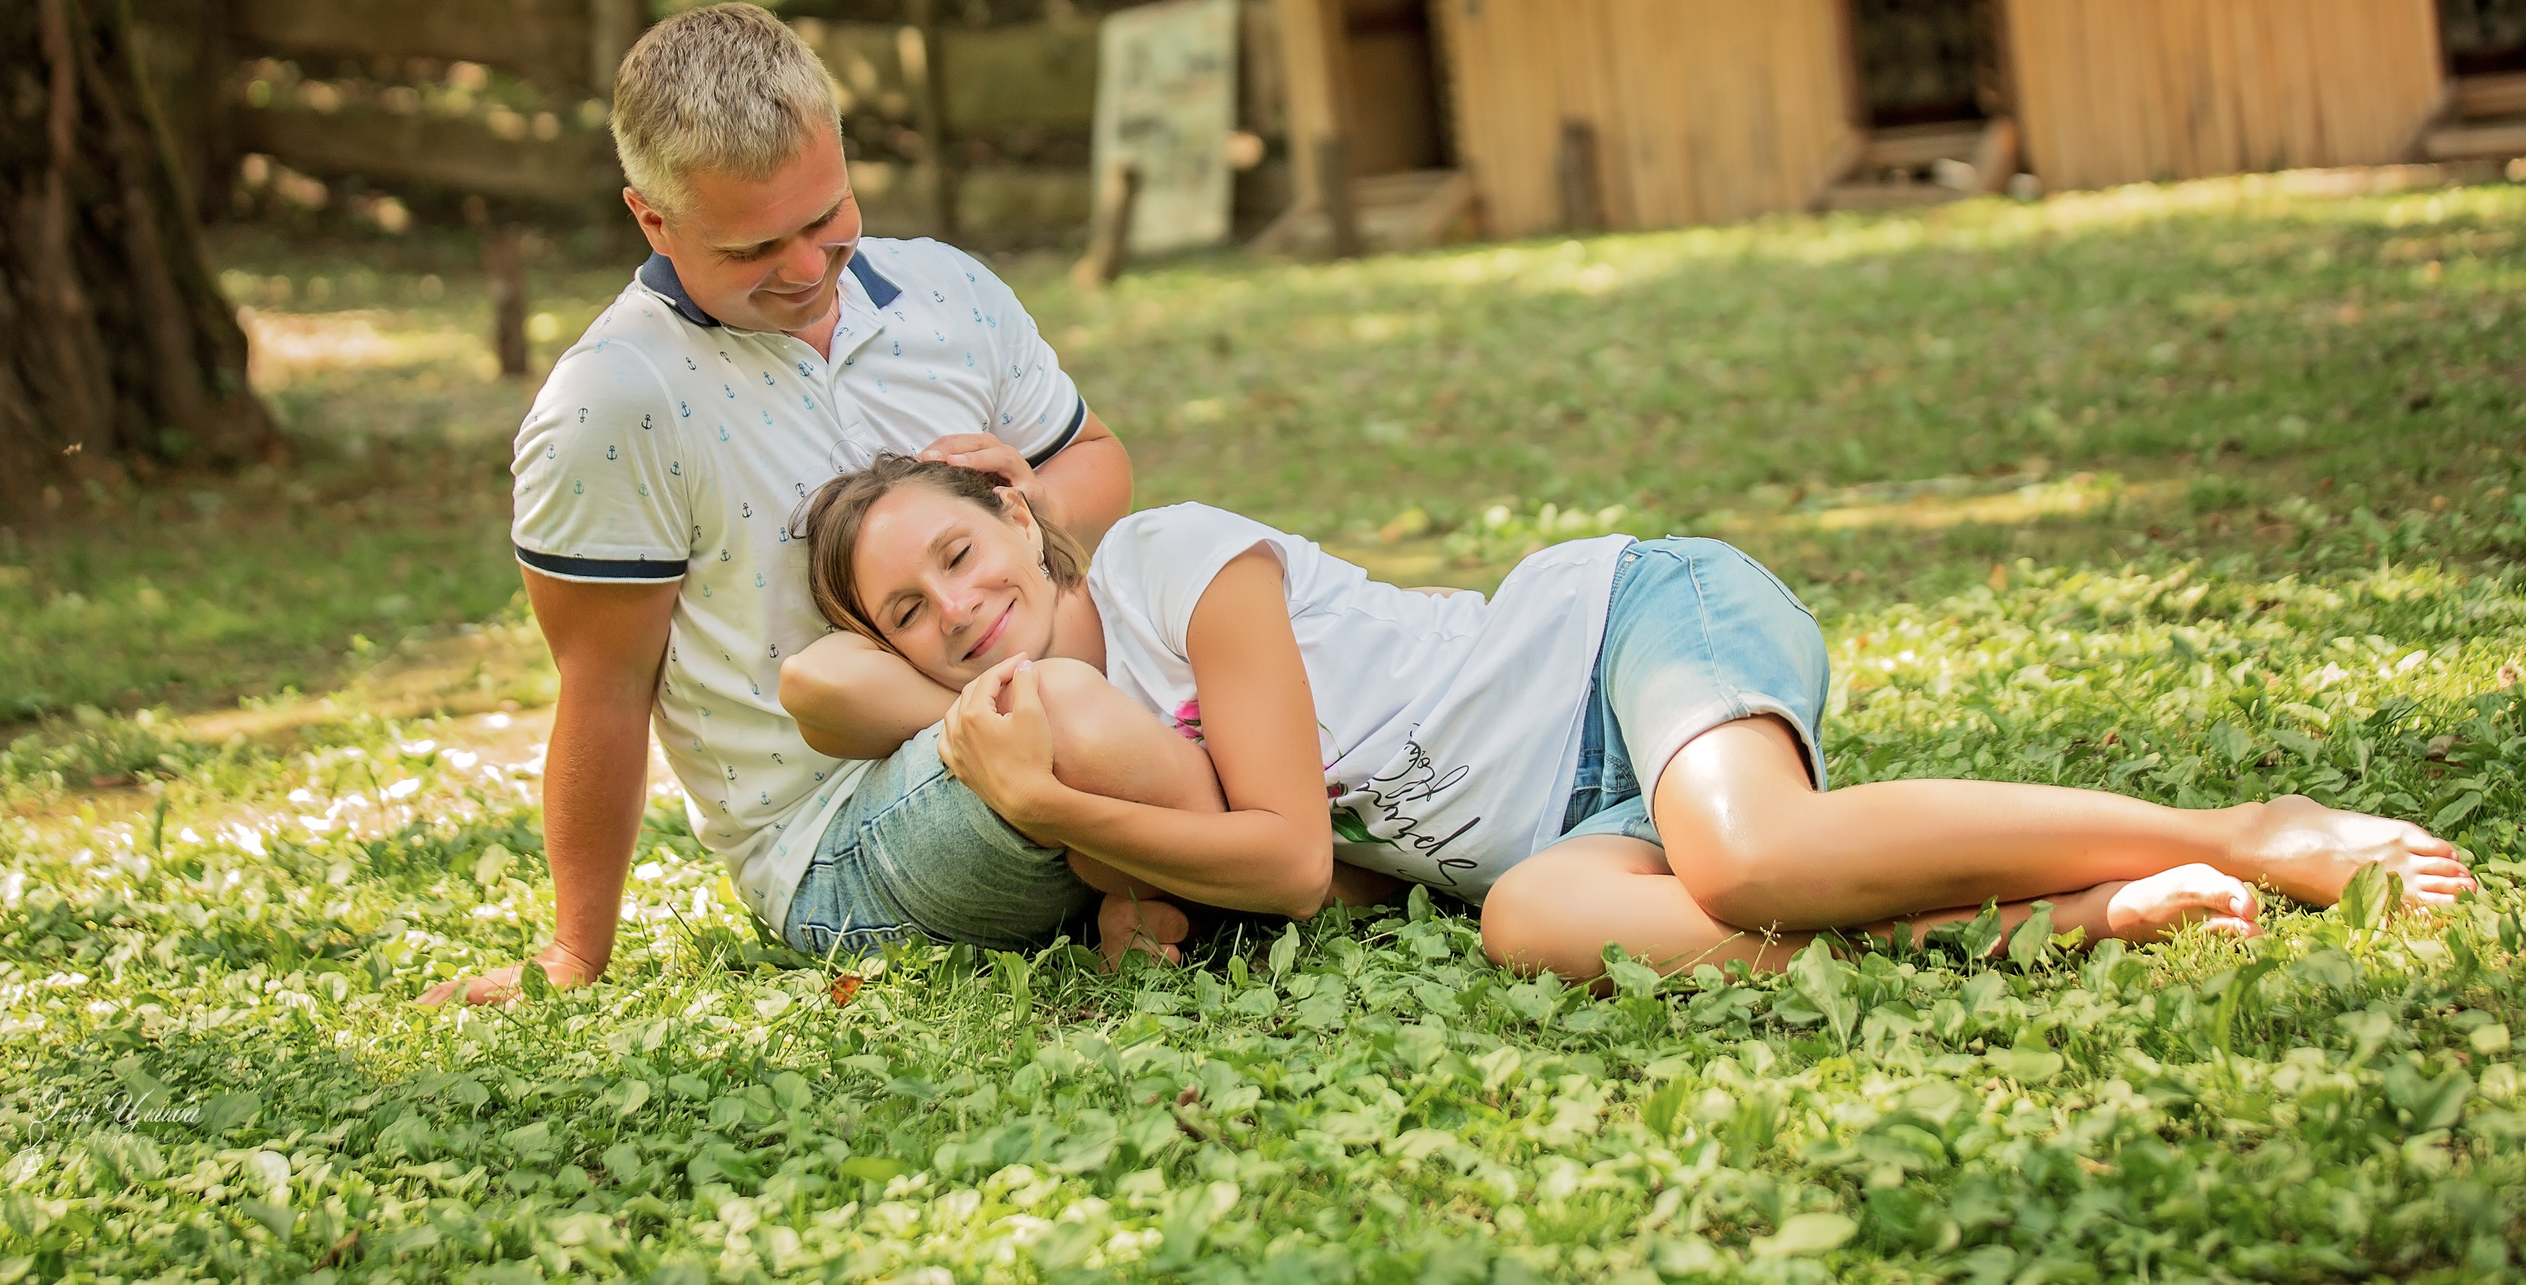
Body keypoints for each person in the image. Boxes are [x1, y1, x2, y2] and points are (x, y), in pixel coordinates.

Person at [797, 455, 2475, 977]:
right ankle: (2063, 913)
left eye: (959, 550)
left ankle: (2246, 834)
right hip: (1572, 822)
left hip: (1622, 632)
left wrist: (1058, 812)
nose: (958, 607)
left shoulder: (1173, 560)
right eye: (911, 613)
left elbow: (1294, 856)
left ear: (1020, 511)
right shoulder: (1113, 730)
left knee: (1744, 859)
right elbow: (1363, 873)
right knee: (1531, 922)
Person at [420, 4, 1134, 1007]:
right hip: (840, 841)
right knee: (1075, 715)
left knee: (1229, 602)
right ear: (653, 220)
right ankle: (1220, 857)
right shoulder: (614, 403)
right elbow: (603, 690)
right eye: (753, 249)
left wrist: (1031, 496)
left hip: (1056, 702)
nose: (803, 271)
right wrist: (575, 952)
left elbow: (1096, 463)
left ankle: (1229, 856)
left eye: (823, 220)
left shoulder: (949, 292)